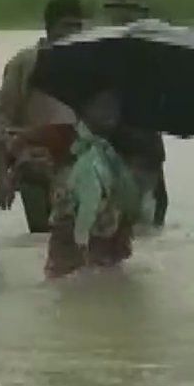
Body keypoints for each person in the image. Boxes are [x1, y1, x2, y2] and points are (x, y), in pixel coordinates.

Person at [0, 0, 85, 232]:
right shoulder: (26, 63)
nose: (72, 33)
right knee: (41, 238)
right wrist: (3, 177)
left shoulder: (86, 64)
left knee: (74, 235)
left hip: (75, 166)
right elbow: (2, 115)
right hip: (32, 165)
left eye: (77, 27)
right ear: (49, 27)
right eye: (66, 26)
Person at [45, 89, 147, 278]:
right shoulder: (85, 149)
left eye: (113, 108)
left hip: (105, 218)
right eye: (103, 107)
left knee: (94, 276)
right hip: (80, 222)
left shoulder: (110, 147)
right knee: (80, 275)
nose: (110, 113)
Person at [101, 0, 170, 228]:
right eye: (119, 9)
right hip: (109, 153)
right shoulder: (95, 53)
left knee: (149, 226)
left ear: (143, 15)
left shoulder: (155, 54)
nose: (125, 15)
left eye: (130, 10)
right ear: (108, 13)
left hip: (146, 153)